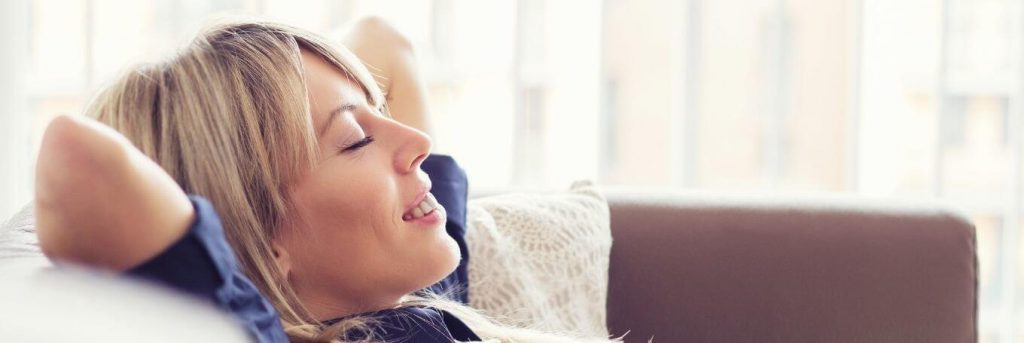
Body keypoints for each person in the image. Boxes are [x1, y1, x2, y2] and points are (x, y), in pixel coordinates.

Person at [33, 17, 619, 343]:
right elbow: (76, 157)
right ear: (265, 242)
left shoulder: (398, 295)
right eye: (356, 140)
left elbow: (380, 37)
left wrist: (279, 74)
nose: (417, 143)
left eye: (379, 109)